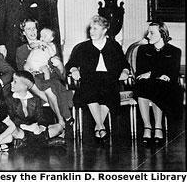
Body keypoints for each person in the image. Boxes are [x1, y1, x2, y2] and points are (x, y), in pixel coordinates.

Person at [65, 15, 130, 143]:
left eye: (95, 28)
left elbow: (124, 64)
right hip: (89, 80)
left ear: (104, 30)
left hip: (109, 80)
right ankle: (100, 126)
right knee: (90, 90)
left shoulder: (114, 46)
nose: (91, 31)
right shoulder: (82, 47)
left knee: (108, 91)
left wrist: (125, 71)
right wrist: (74, 70)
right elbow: (70, 64)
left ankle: (98, 126)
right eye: (91, 28)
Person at [16, 19, 69, 135]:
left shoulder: (49, 46)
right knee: (48, 90)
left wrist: (59, 64)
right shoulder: (21, 50)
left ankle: (60, 124)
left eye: (34, 28)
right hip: (32, 82)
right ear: (23, 32)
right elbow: (22, 74)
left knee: (50, 88)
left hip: (50, 79)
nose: (32, 31)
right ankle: (62, 122)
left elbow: (62, 75)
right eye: (28, 29)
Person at [134, 21, 183, 144]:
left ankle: (158, 127)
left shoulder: (174, 51)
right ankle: (147, 126)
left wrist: (151, 74)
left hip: (166, 86)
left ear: (162, 34)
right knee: (143, 86)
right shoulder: (143, 49)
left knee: (159, 86)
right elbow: (140, 72)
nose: (148, 36)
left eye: (151, 33)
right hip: (146, 84)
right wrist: (158, 74)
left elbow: (172, 73)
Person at [5, 70, 65, 148]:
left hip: (34, 130)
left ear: (25, 86)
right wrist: (26, 127)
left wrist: (40, 127)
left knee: (58, 128)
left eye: (15, 82)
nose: (11, 83)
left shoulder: (35, 99)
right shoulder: (9, 99)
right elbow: (12, 119)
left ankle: (26, 143)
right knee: (13, 132)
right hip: (21, 129)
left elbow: (41, 118)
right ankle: (45, 143)